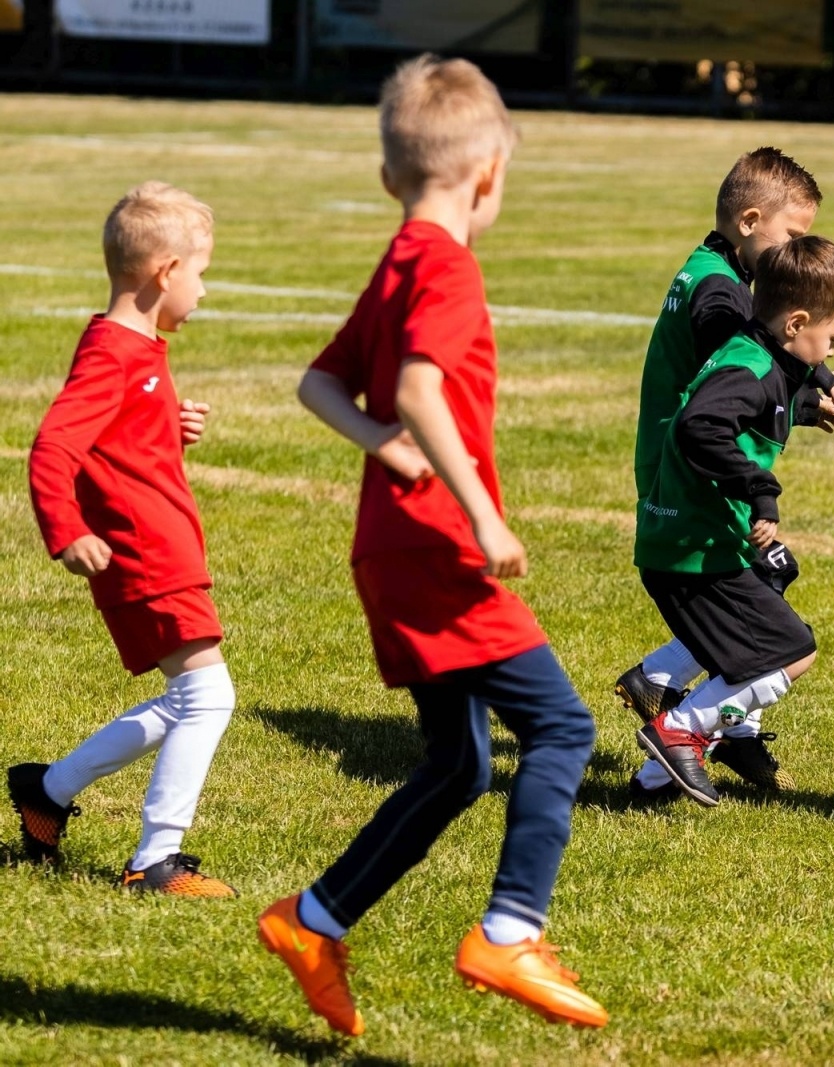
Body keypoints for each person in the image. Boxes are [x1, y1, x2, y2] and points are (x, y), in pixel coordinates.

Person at [256, 54, 606, 1036]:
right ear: (489, 173)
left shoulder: (399, 259)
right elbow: (416, 388)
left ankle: (311, 920)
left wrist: (381, 446)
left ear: (388, 176)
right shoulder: (446, 266)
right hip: (438, 545)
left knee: (457, 764)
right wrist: (482, 511)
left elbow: (318, 382)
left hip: (387, 545)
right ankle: (511, 929)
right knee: (562, 727)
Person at [10, 181, 236, 898]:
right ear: (166, 272)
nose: (203, 290)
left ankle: (47, 790)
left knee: (189, 696)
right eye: (201, 273)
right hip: (145, 554)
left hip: (162, 549)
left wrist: (170, 425)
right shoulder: (113, 352)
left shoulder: (138, 346)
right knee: (208, 696)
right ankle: (154, 861)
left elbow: (121, 437)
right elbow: (53, 447)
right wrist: (66, 531)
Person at [615, 147, 834, 801]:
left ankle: (695, 720)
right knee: (763, 600)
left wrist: (810, 381)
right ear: (750, 222)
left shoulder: (711, 269)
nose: (792, 251)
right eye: (791, 236)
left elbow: (764, 362)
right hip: (696, 476)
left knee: (767, 581)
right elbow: (740, 376)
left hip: (693, 471)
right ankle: (687, 710)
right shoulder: (719, 292)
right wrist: (803, 393)